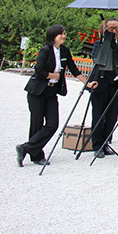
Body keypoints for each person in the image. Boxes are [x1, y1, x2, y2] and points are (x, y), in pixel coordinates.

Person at [16, 24, 87, 167]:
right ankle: (37, 156)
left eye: (64, 33)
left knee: (52, 124)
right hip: (37, 92)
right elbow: (39, 71)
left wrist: (87, 82)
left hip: (52, 92)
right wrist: (53, 75)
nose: (64, 36)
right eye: (61, 34)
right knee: (36, 123)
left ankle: (25, 148)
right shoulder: (45, 51)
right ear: (53, 36)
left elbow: (73, 68)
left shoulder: (65, 51)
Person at [87, 18, 118, 158]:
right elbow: (99, 61)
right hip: (100, 82)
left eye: (116, 28)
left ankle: (106, 142)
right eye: (111, 28)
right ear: (105, 29)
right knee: (98, 115)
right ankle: (97, 145)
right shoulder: (99, 43)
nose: (114, 31)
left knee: (112, 116)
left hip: (115, 84)